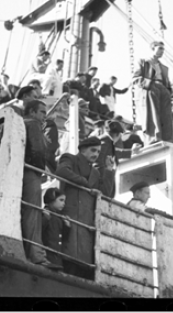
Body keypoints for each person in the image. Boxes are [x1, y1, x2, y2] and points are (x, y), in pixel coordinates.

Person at [56, 136, 114, 278]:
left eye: (98, 152)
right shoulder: (69, 159)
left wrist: (109, 170)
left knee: (83, 263)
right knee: (68, 257)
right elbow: (61, 172)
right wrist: (85, 184)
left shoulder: (95, 172)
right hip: (71, 215)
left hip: (86, 222)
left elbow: (106, 194)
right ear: (82, 149)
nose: (96, 154)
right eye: (93, 150)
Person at [21, 99, 61, 270]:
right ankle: (37, 256)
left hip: (22, 172)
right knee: (33, 213)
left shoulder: (21, 124)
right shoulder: (33, 124)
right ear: (32, 112)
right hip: (31, 174)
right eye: (42, 112)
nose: (44, 116)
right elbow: (37, 150)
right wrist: (40, 170)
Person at [132, 41, 173, 145]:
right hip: (151, 87)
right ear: (152, 48)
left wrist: (168, 90)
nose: (162, 51)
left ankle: (167, 139)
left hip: (163, 89)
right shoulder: (143, 62)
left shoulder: (163, 67)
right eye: (160, 48)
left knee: (166, 116)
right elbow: (136, 78)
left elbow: (166, 81)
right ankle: (154, 138)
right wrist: (148, 84)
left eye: (163, 49)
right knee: (152, 114)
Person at [41, 188, 71, 266]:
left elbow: (63, 238)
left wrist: (67, 227)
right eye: (61, 200)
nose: (63, 203)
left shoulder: (58, 217)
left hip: (56, 257)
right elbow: (39, 230)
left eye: (64, 201)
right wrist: (45, 219)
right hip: (47, 255)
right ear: (51, 199)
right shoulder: (45, 214)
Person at [95, 121, 125, 198]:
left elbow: (117, 153)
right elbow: (98, 160)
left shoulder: (109, 141)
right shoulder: (106, 140)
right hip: (102, 180)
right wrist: (103, 178)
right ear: (118, 134)